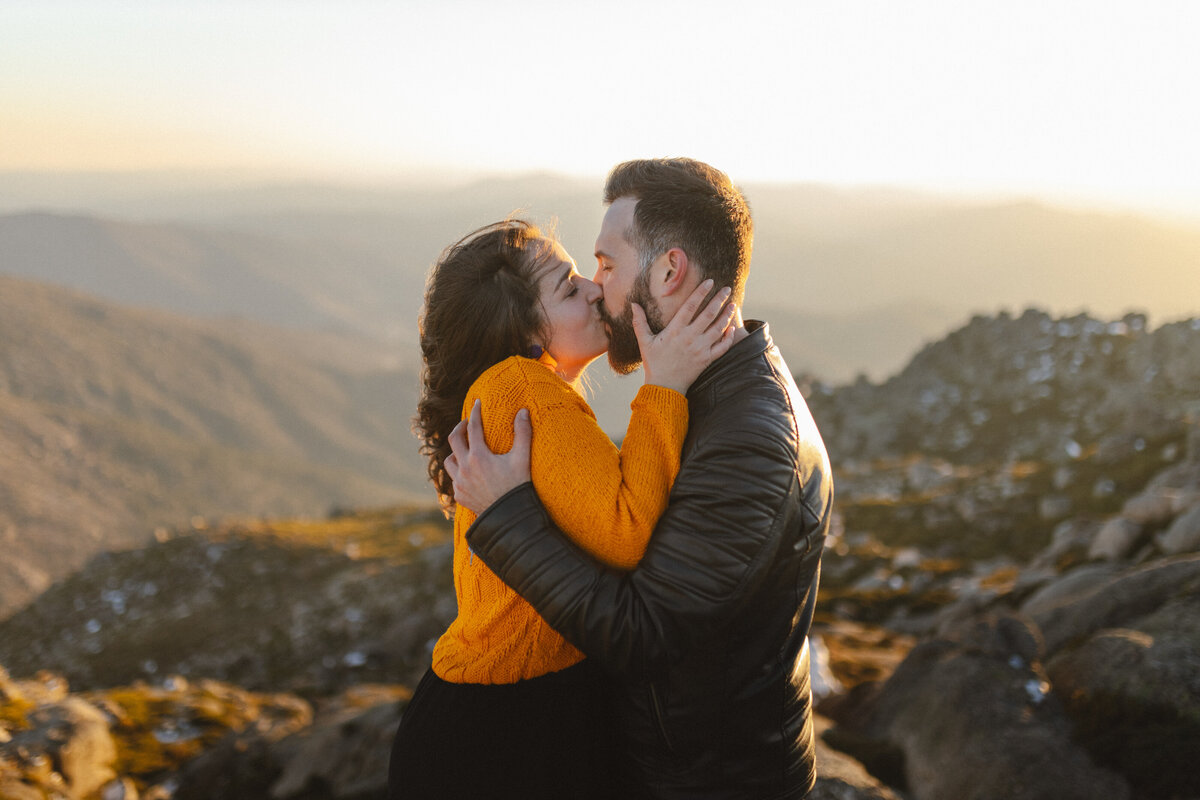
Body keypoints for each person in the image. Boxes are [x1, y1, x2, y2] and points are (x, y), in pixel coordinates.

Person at [446, 158, 833, 799]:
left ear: (668, 271)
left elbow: (642, 635)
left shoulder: (751, 441)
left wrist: (505, 517)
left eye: (605, 264)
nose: (596, 287)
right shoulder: (713, 393)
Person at [387, 218, 738, 799]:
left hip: (493, 711)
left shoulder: (522, 389)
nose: (596, 289)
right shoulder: (525, 390)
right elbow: (625, 534)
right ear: (522, 327)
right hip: (503, 728)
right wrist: (666, 386)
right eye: (571, 289)